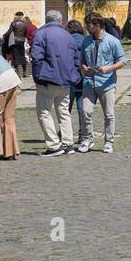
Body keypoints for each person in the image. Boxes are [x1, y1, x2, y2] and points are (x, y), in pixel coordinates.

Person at [30, 10, 82, 156]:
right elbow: (76, 58)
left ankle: (54, 145)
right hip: (66, 79)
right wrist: (74, 75)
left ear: (47, 20)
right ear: (61, 21)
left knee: (44, 112)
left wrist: (37, 77)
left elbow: (36, 57)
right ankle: (68, 144)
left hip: (48, 78)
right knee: (64, 112)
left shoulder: (41, 34)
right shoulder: (68, 36)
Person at [79, 15, 126, 153]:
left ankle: (109, 141)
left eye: (89, 25)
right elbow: (81, 59)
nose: (87, 27)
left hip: (106, 83)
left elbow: (123, 60)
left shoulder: (112, 41)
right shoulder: (86, 41)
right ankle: (87, 139)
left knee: (109, 114)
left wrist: (109, 68)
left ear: (98, 25)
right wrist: (84, 68)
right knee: (85, 111)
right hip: (89, 82)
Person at [66, 18, 88, 145]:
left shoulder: (66, 40)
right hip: (82, 77)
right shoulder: (86, 40)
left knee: (65, 108)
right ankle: (82, 134)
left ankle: (64, 133)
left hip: (68, 78)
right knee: (81, 108)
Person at [5, 12, 31, 78]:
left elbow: (9, 31)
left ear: (16, 16)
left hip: (14, 41)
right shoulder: (25, 24)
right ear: (22, 16)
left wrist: (5, 36)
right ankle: (24, 72)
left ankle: (18, 72)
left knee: (15, 56)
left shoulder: (13, 23)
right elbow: (27, 33)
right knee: (22, 55)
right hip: (22, 40)